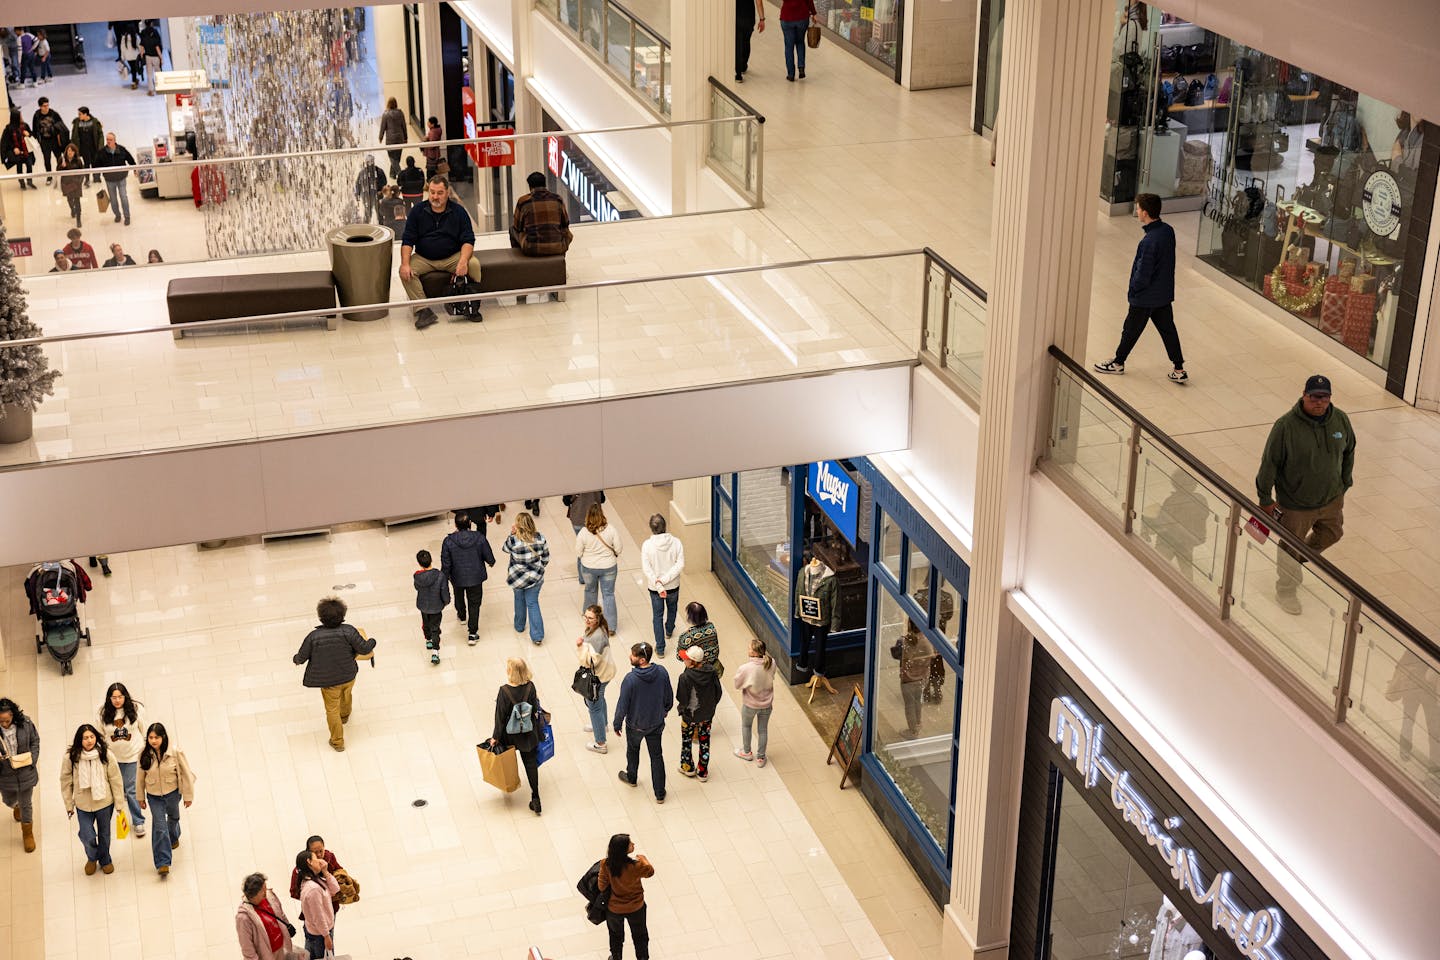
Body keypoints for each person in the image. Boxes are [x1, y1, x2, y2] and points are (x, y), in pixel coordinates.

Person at [1255, 375, 1356, 615]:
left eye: (1324, 398)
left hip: (1331, 498)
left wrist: (1344, 482)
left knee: (1332, 534)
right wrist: (1265, 499)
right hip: (1295, 505)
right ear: (1304, 395)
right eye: (1314, 397)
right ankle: (1286, 590)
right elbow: (1269, 463)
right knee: (1289, 547)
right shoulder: (1286, 426)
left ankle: (1295, 561)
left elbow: (1350, 450)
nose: (1319, 403)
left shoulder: (1340, 420)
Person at [1093, 192, 1188, 383]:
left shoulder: (1148, 242)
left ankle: (1118, 363)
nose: (1137, 211)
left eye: (1138, 208)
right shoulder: (1167, 231)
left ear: (1145, 212)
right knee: (1168, 330)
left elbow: (1143, 273)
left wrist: (1134, 290)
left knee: (1130, 330)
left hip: (1145, 297)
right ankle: (1179, 368)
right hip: (1163, 295)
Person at [292, 596, 376, 752]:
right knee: (346, 693)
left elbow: (301, 657)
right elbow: (364, 648)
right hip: (349, 674)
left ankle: (337, 742)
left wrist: (296, 659)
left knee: (331, 710)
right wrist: (372, 641)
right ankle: (345, 715)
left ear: (321, 617)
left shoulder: (313, 637)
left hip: (328, 681)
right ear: (342, 615)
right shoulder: (349, 631)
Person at [398, 175, 482, 329]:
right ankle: (423, 310)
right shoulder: (417, 211)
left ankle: (470, 306)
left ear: (448, 192)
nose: (435, 197)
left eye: (439, 193)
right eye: (432, 192)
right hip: (425, 258)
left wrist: (463, 262)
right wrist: (405, 263)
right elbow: (408, 240)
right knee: (405, 272)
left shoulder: (459, 212)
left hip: (452, 256)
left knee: (472, 264)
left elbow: (468, 240)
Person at [58, 723, 124, 876]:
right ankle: (92, 857)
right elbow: (66, 781)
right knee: (87, 835)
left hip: (104, 803)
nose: (89, 741)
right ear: (79, 740)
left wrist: (119, 803)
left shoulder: (106, 754)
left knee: (104, 834)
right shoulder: (71, 757)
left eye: (92, 737)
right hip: (83, 805)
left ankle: (105, 859)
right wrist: (69, 804)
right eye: (85, 738)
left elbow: (116, 779)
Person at [613, 641, 673, 803]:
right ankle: (659, 793)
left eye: (633, 655)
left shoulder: (631, 679)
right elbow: (668, 696)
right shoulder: (661, 672)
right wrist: (665, 710)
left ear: (641, 660)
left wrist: (617, 723)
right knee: (656, 756)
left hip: (636, 726)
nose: (629, 656)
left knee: (633, 750)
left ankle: (632, 777)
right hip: (656, 723)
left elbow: (622, 705)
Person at [136, 722, 195, 877]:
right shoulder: (143, 754)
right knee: (160, 827)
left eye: (156, 737)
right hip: (154, 797)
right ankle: (163, 862)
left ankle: (174, 835)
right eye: (150, 737)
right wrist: (140, 797)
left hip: (172, 793)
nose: (153, 741)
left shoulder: (174, 752)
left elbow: (186, 774)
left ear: (163, 737)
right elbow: (139, 777)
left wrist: (188, 796)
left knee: (174, 818)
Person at [488, 657, 545, 815]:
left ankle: (508, 784)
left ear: (510, 671)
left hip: (509, 735)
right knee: (530, 764)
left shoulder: (504, 691)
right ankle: (536, 798)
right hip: (528, 733)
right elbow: (534, 708)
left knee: (506, 758)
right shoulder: (530, 686)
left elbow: (500, 717)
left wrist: (495, 737)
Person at [98, 682, 145, 839]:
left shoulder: (136, 709)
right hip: (114, 758)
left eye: (120, 697)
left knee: (131, 789)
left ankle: (138, 821)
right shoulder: (102, 713)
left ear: (125, 696)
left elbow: (143, 729)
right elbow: (100, 735)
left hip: (133, 755)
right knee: (119, 788)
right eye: (114, 697)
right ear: (109, 698)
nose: (117, 700)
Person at [442, 512, 496, 646]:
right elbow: (489, 557)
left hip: (457, 577)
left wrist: (444, 579)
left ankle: (461, 615)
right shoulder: (479, 537)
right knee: (474, 604)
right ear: (470, 524)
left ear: (455, 525)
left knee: (458, 596)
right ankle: (472, 633)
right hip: (476, 577)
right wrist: (490, 561)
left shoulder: (448, 541)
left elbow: (446, 564)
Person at [598, 833, 653, 960]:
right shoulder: (636, 865)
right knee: (640, 936)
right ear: (624, 849)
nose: (633, 844)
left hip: (614, 909)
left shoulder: (606, 865)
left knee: (615, 936)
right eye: (630, 843)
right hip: (636, 907)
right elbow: (650, 872)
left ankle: (616, 957)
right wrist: (643, 858)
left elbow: (602, 887)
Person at [503, 511, 550, 645]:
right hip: (535, 578)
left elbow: (505, 549)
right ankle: (537, 636)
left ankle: (519, 626)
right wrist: (538, 568)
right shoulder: (540, 538)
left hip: (517, 578)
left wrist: (512, 534)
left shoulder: (513, 540)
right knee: (533, 603)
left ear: (518, 525)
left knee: (518, 599)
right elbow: (546, 558)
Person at [676, 645, 722, 782]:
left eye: (686, 659)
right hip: (707, 715)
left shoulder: (684, 677)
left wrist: (682, 710)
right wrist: (711, 707)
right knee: (705, 741)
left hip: (689, 716)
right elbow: (718, 692)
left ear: (693, 661)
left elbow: (681, 698)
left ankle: (687, 767)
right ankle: (703, 771)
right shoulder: (712, 672)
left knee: (686, 741)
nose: (684, 660)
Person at [0, 697, 40, 854]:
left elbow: (35, 742)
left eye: (7, 720)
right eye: (1, 721)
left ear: (13, 715)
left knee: (26, 804)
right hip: (5, 774)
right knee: (8, 800)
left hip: (25, 771)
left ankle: (27, 833)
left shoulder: (26, 724)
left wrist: (32, 761)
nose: (4, 724)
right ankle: (14, 805)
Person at [640, 514, 684, 655]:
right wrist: (666, 579)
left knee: (657, 616)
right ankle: (669, 630)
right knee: (672, 609)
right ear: (665, 526)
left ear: (651, 529)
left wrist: (659, 583)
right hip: (673, 586)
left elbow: (647, 569)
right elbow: (680, 564)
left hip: (655, 588)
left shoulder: (647, 545)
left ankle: (660, 649)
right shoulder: (676, 543)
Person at [576, 605, 617, 754]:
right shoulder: (599, 628)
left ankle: (600, 743)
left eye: (590, 618)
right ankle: (603, 724)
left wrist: (580, 646)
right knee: (600, 698)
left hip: (599, 676)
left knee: (594, 707)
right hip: (605, 672)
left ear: (597, 619)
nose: (587, 620)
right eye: (585, 616)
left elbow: (590, 662)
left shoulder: (596, 637)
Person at [576, 502, 623, 631]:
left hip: (589, 567)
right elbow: (619, 549)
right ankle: (611, 627)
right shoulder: (611, 529)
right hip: (609, 567)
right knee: (608, 595)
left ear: (588, 516)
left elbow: (578, 552)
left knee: (590, 591)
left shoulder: (583, 532)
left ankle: (589, 620)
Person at [237, 872, 300, 960]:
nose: (266, 891)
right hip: (267, 955)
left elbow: (281, 915)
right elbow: (247, 948)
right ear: (256, 893)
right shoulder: (243, 917)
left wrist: (287, 926)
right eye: (263, 889)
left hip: (283, 948)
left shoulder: (270, 896)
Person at [733, 638, 776, 766]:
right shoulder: (771, 662)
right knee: (762, 730)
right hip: (767, 704)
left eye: (750, 648)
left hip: (750, 704)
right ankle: (761, 758)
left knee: (746, 726)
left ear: (755, 653)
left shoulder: (745, 668)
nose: (748, 649)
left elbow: (737, 685)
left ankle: (747, 752)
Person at [509, 171, 573, 256]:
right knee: (564, 230)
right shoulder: (557, 199)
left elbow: (517, 227)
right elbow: (566, 223)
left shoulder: (523, 202)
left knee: (512, 230)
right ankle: (559, 259)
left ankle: (520, 261)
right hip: (558, 247)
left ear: (530, 186)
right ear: (545, 184)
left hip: (531, 249)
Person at [294, 848, 341, 958]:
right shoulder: (313, 888)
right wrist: (326, 936)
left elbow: (335, 890)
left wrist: (325, 871)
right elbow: (318, 916)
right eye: (316, 858)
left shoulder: (315, 879)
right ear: (309, 862)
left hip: (320, 931)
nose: (320, 860)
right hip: (320, 935)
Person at [412, 548, 450, 665]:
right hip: (436, 606)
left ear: (419, 563)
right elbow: (444, 591)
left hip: (423, 605)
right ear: (431, 560)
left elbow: (417, 588)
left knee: (425, 622)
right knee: (435, 628)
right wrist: (446, 601)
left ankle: (428, 639)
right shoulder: (440, 575)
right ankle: (435, 651)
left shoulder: (417, 577)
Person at [288, 834, 344, 911]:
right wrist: (313, 896)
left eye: (321, 851)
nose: (319, 855)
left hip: (332, 905)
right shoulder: (300, 869)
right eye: (315, 852)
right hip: (314, 908)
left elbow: (340, 872)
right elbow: (293, 892)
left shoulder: (329, 857)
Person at [95, 132, 137, 225]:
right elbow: (97, 164)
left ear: (115, 140)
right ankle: (117, 215)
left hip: (121, 178)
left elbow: (130, 159)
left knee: (123, 197)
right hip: (109, 180)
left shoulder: (122, 150)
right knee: (113, 199)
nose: (108, 141)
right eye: (107, 140)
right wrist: (97, 176)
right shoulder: (102, 152)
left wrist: (134, 168)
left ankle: (127, 216)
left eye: (110, 140)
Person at [564, 491, 605, 577]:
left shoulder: (570, 481)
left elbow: (566, 501)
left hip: (578, 519)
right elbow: (602, 499)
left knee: (582, 548)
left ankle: (582, 577)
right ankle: (595, 573)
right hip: (595, 519)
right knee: (595, 547)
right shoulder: (597, 479)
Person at [674, 601, 720, 674]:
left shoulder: (686, 637)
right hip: (711, 668)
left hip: (694, 670)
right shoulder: (711, 628)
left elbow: (680, 657)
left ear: (690, 617)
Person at [778, 0, 818, 82]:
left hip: (787, 17)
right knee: (800, 42)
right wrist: (814, 13)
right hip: (802, 17)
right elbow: (809, 1)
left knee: (789, 46)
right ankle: (801, 67)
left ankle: (791, 74)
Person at [30, 96, 67, 179]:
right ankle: (49, 176)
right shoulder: (37, 115)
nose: (46, 107)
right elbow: (35, 129)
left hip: (54, 140)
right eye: (44, 106)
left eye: (47, 105)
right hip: (44, 141)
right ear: (40, 107)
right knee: (47, 159)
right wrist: (35, 140)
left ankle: (62, 174)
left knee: (59, 157)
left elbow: (62, 126)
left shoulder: (54, 114)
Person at [2, 108, 35, 188]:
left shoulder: (25, 125)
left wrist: (29, 134)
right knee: (19, 167)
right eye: (19, 116)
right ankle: (21, 182)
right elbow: (6, 142)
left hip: (26, 151)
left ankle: (29, 181)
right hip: (17, 153)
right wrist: (13, 148)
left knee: (29, 165)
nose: (21, 117)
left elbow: (31, 135)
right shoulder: (9, 129)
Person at [735, 0, 765, 82]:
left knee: (738, 45)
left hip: (737, 17)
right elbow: (759, 3)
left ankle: (738, 74)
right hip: (749, 18)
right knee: (746, 41)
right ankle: (743, 65)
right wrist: (762, 19)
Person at [71, 106, 104, 179]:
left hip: (93, 147)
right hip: (83, 148)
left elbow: (100, 134)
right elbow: (74, 135)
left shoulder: (94, 122)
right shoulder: (77, 122)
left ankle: (96, 178)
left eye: (80, 114)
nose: (78, 116)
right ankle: (87, 179)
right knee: (86, 164)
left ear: (85, 114)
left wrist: (100, 146)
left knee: (95, 163)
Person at [58, 141, 87, 226]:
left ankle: (78, 219)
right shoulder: (62, 159)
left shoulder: (78, 161)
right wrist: (61, 167)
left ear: (75, 152)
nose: (70, 152)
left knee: (77, 201)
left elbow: (82, 172)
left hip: (76, 184)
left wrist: (79, 182)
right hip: (66, 184)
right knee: (69, 199)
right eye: (68, 150)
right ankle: (72, 209)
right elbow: (57, 171)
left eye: (72, 151)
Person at [379, 95, 407, 177]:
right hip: (399, 138)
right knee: (397, 157)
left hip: (390, 140)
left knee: (392, 158)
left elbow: (383, 127)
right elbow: (403, 125)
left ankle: (400, 174)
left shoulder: (386, 114)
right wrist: (406, 137)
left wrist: (380, 137)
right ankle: (392, 174)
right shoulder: (400, 113)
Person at [353, 155, 386, 224]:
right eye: (368, 162)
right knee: (368, 213)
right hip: (367, 197)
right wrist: (357, 194)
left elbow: (384, 182)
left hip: (377, 196)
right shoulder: (362, 173)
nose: (370, 164)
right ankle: (367, 227)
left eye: (371, 162)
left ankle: (381, 225)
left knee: (379, 213)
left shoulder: (379, 171)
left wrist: (380, 190)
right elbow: (358, 184)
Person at [140, 20, 165, 96]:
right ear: (151, 24)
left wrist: (142, 56)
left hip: (148, 57)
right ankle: (160, 88)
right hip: (156, 57)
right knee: (158, 72)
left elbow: (141, 47)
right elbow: (157, 47)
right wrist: (161, 58)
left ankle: (151, 90)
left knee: (149, 74)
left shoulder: (143, 34)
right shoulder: (155, 34)